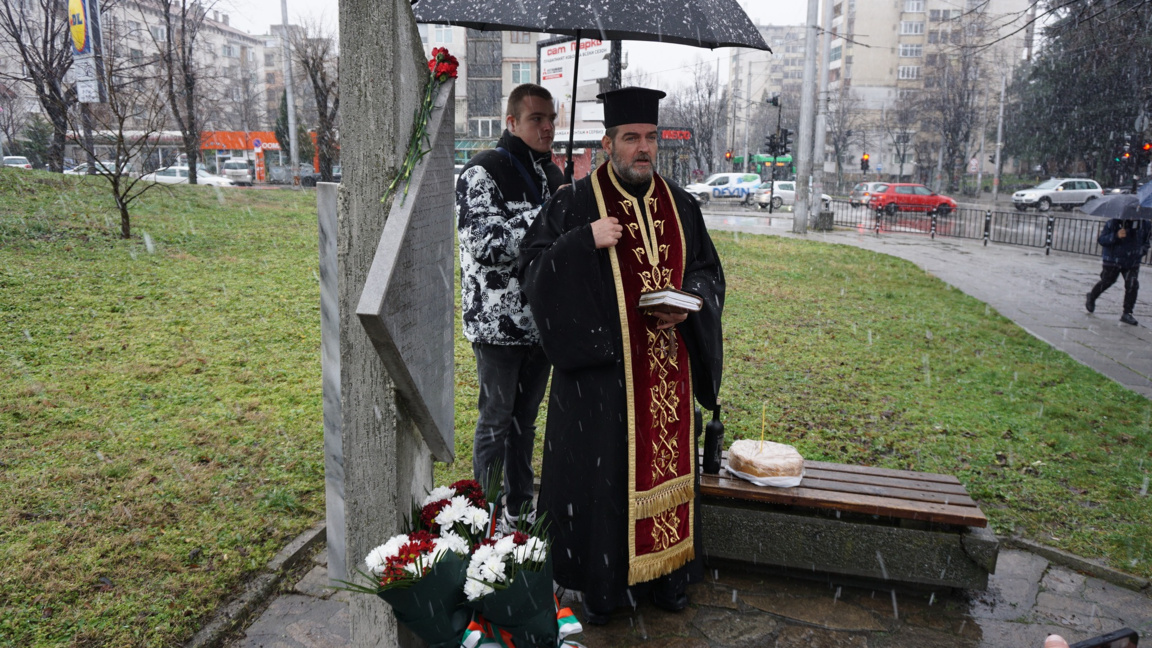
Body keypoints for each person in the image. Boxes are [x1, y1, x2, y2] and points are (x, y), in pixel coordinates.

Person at [519, 87, 725, 624]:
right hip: (603, 380)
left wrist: (693, 304)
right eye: (630, 138)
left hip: (667, 374)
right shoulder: (573, 202)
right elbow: (533, 274)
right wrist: (582, 240)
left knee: (665, 476)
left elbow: (707, 272)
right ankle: (604, 587)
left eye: (650, 138)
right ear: (607, 142)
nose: (643, 148)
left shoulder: (682, 205)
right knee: (605, 481)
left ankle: (667, 577)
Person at [456, 83, 565, 529]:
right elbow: (483, 243)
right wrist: (544, 221)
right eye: (536, 118)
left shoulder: (556, 177)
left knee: (526, 426)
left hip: (542, 324)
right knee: (496, 423)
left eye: (551, 118)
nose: (547, 126)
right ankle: (485, 516)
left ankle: (519, 510)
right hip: (497, 326)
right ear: (512, 122)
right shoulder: (482, 171)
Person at [1085, 215, 1151, 325]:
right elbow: (1102, 240)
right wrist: (1116, 236)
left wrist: (1140, 251)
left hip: (1132, 261)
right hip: (1112, 259)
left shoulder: (1145, 225)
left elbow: (1146, 242)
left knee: (1132, 284)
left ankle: (1127, 313)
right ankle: (1092, 296)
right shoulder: (1113, 223)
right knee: (1107, 281)